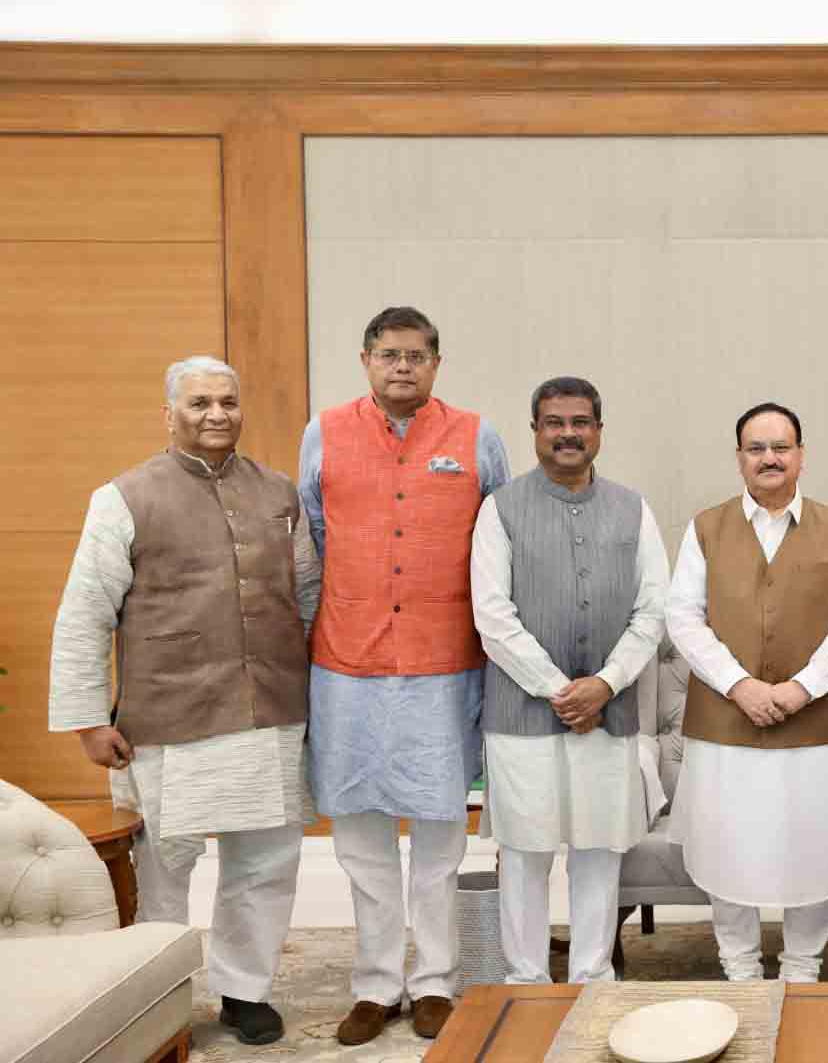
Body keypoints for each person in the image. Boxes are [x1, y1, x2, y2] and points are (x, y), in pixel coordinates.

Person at [49, 355, 317, 1046]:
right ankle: (157, 996)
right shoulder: (125, 496)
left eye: (228, 401)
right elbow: (85, 614)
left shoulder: (280, 493)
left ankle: (244, 991)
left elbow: (310, 600)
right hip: (170, 719)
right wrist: (86, 721)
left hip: (271, 712)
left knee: (265, 863)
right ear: (168, 413)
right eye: (199, 404)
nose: (217, 415)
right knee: (167, 868)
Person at [299, 306, 510, 1044]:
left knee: (440, 838)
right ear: (365, 360)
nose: (403, 367)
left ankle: (434, 982)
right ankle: (376, 983)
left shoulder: (477, 436)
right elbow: (316, 535)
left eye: (417, 356)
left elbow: (497, 541)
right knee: (360, 838)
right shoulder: (323, 433)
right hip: (348, 662)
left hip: (442, 663)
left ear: (436, 364)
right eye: (389, 355)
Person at [470, 375, 668, 985]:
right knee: (526, 854)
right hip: (521, 717)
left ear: (599, 432)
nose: (568, 434)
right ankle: (525, 980)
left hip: (608, 715)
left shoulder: (633, 507)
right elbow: (491, 614)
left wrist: (604, 685)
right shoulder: (499, 508)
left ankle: (591, 978)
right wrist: (562, 688)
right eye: (554, 423)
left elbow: (653, 609)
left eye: (580, 422)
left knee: (598, 852)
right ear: (535, 432)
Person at [666, 401, 828, 982]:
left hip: (815, 721)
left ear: (801, 456)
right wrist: (741, 686)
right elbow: (683, 617)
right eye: (756, 449)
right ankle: (740, 968)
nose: (769, 458)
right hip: (726, 720)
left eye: (781, 447)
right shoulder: (706, 527)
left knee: (814, 850)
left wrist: (802, 689)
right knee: (729, 848)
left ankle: (803, 967)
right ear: (739, 460)